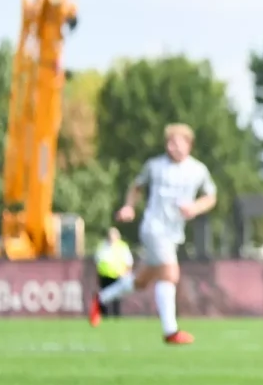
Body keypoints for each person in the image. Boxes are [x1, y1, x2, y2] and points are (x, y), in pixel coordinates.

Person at [88, 123, 217, 345]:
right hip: (154, 228)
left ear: (189, 144)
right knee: (170, 274)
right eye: (169, 142)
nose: (172, 147)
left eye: (177, 142)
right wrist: (129, 206)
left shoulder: (198, 170)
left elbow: (211, 197)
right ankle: (170, 331)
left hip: (173, 232)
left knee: (141, 281)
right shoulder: (155, 166)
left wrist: (195, 207)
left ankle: (100, 299)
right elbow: (136, 187)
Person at [94, 227, 134, 318]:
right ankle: (105, 316)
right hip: (104, 275)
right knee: (103, 297)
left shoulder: (122, 246)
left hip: (118, 276)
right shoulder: (102, 246)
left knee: (116, 297)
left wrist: (126, 274)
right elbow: (98, 262)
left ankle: (116, 316)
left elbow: (129, 262)